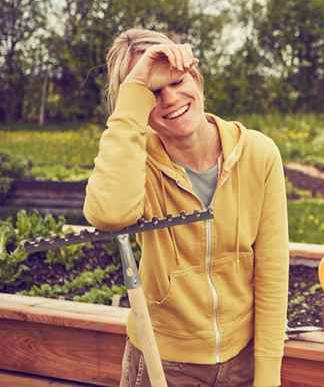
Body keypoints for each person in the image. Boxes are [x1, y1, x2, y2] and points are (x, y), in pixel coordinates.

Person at [83, 28, 289, 387]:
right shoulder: (137, 163)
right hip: (162, 362)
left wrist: (268, 375)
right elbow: (108, 213)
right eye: (152, 93)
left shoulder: (259, 154)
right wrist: (131, 95)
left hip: (242, 362)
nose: (170, 99)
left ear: (196, 78)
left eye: (177, 82)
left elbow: (272, 273)